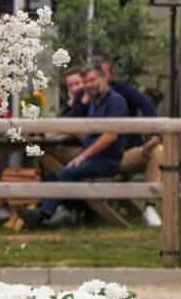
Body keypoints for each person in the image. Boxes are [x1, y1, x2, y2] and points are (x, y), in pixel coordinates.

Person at [22, 62, 128, 228]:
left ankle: (41, 217)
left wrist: (83, 156)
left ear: (103, 78)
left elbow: (110, 137)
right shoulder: (94, 102)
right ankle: (61, 212)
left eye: (92, 80)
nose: (88, 85)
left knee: (67, 171)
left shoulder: (116, 101)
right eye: (86, 82)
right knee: (53, 166)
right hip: (92, 157)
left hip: (108, 161)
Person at [96, 56, 165, 226]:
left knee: (159, 151)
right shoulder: (85, 96)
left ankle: (149, 206)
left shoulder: (121, 92)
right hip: (91, 156)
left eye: (101, 73)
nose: (96, 78)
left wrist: (155, 135)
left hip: (121, 155)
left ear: (110, 75)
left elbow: (146, 104)